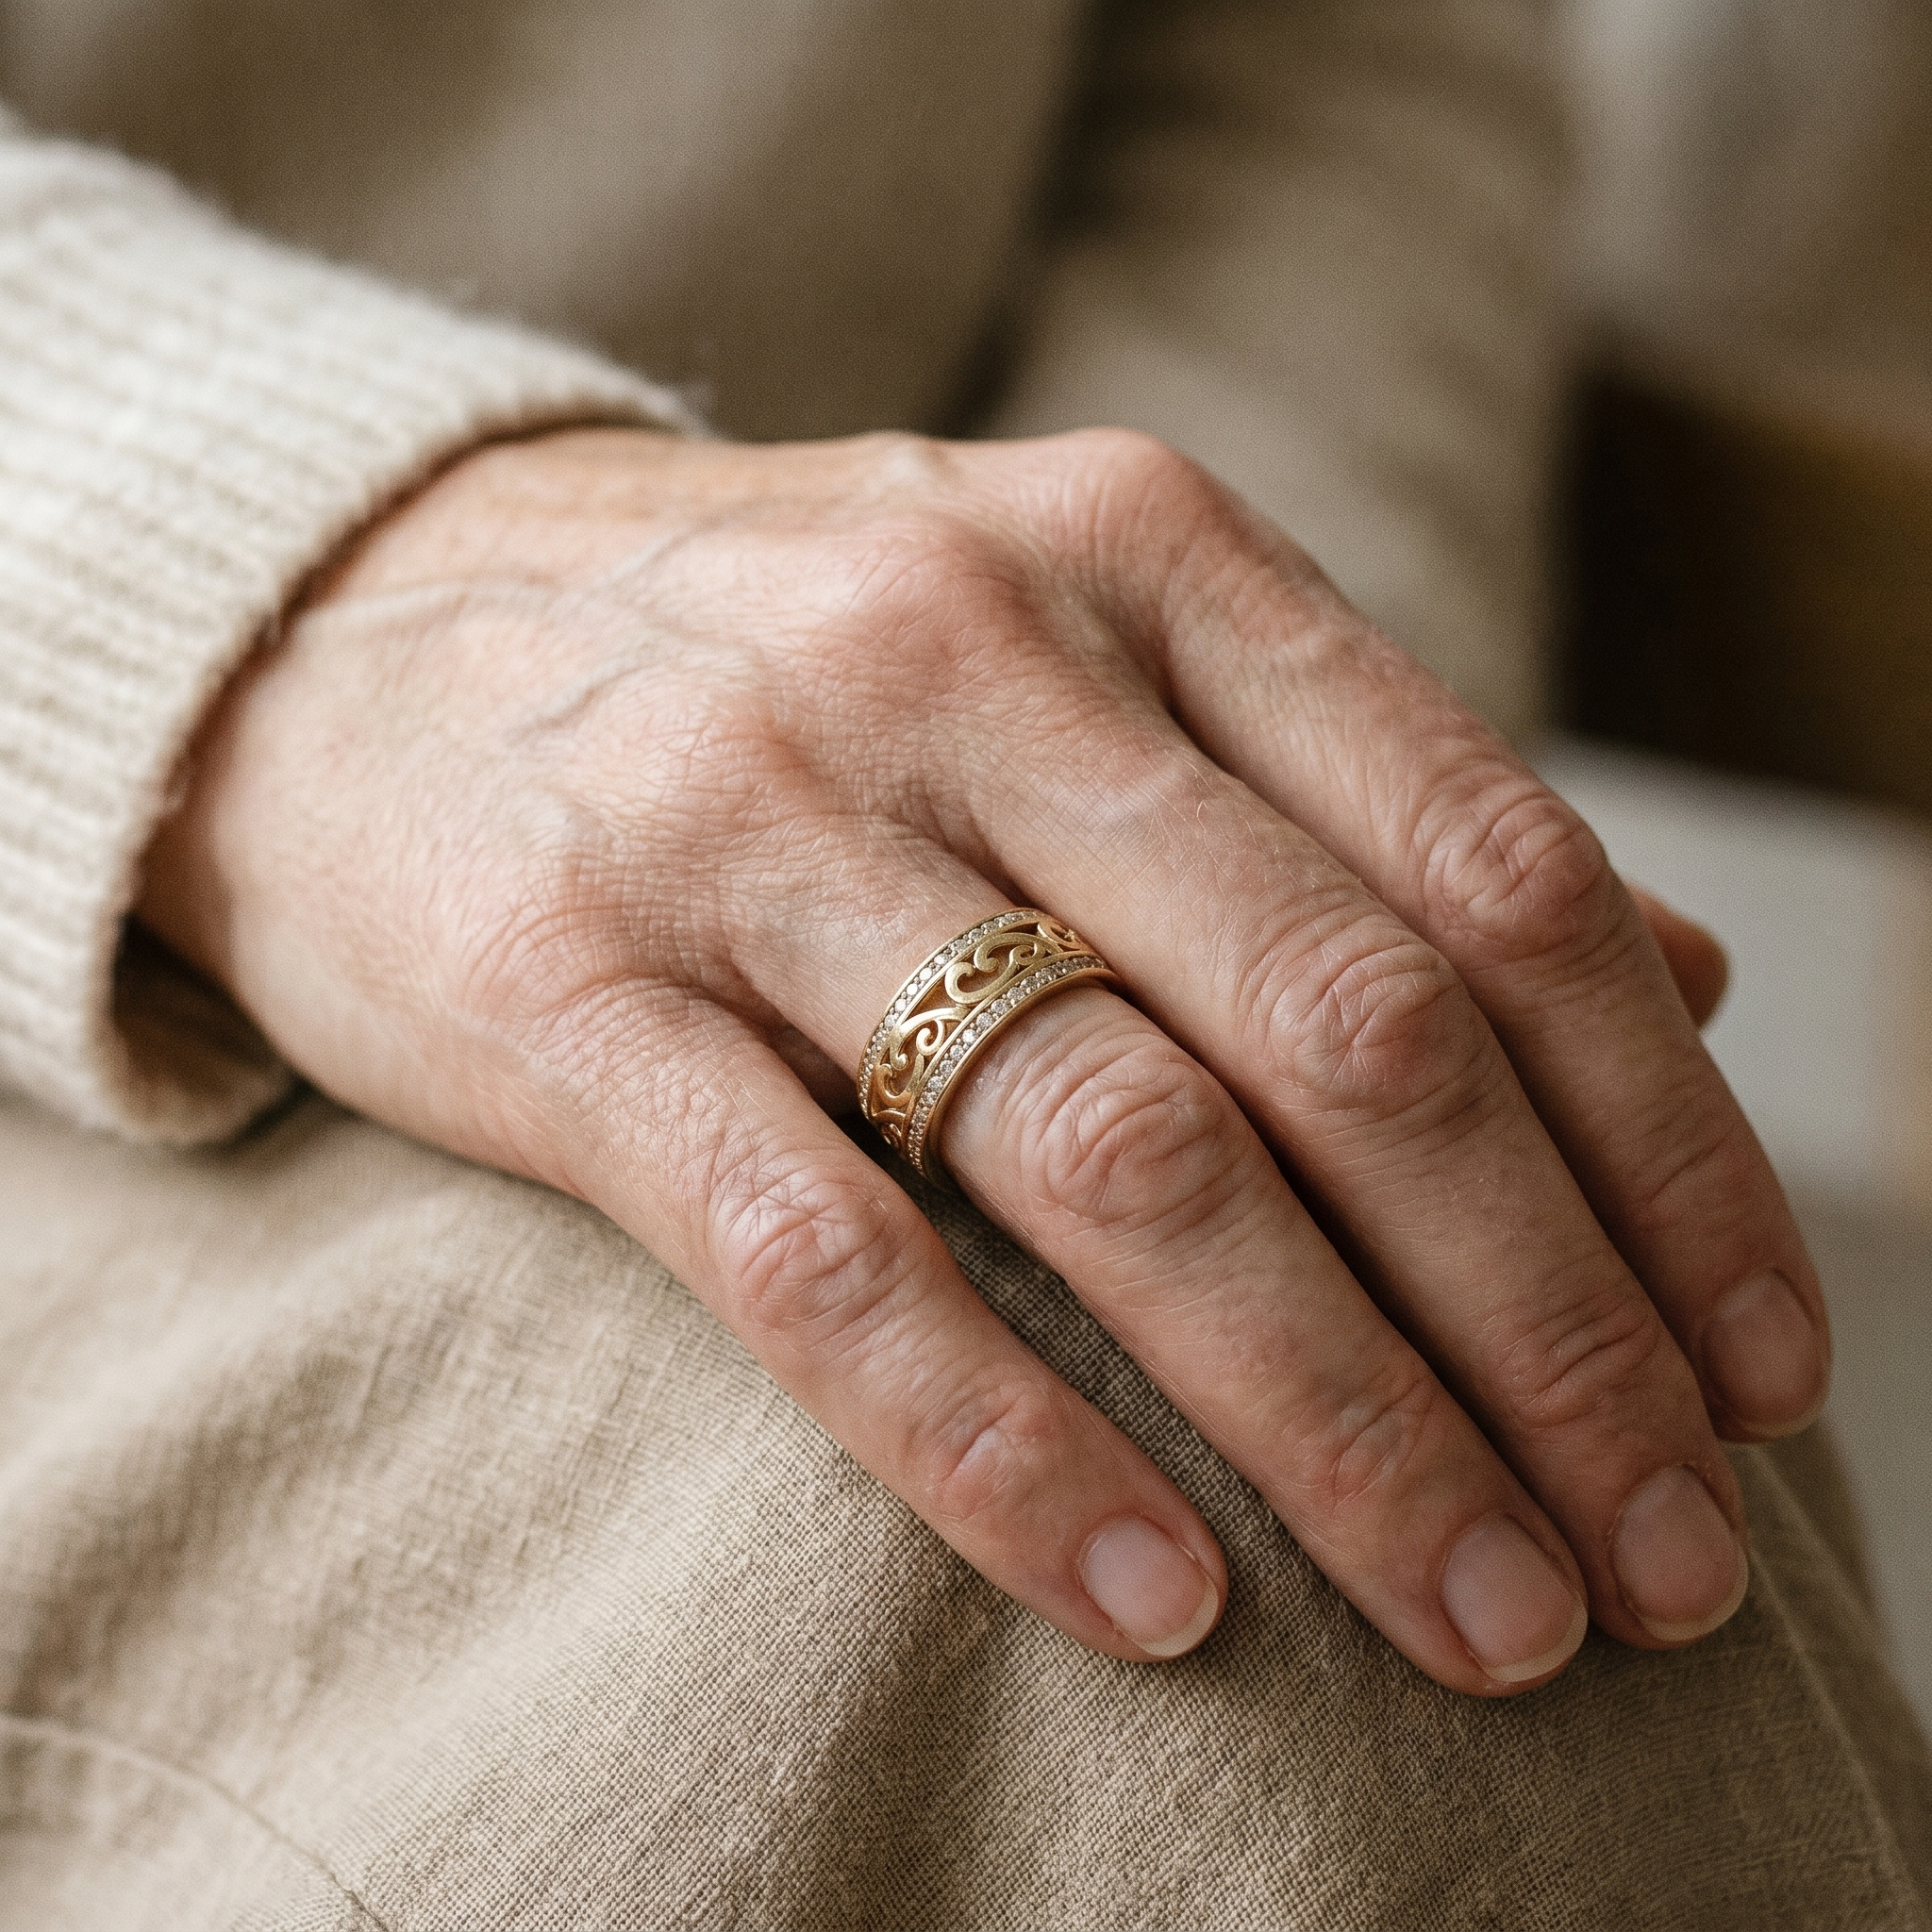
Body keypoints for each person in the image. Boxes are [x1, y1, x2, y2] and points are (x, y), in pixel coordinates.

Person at [0, 3, 1926, 1925]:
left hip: (892, 702)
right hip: (87, 822)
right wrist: (280, 566)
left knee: (1375, 1323)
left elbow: (1326, 50)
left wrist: (1198, 750)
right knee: (1188, 1540)